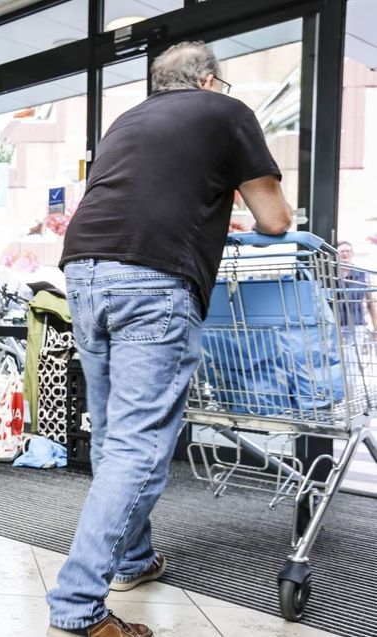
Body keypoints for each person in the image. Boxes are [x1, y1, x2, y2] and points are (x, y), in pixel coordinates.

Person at [47, 42, 293, 637]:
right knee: (139, 448)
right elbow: (276, 219)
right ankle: (77, 604)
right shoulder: (226, 112)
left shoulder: (126, 121)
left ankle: (133, 560)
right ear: (210, 81)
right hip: (153, 278)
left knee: (112, 437)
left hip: (82, 269)